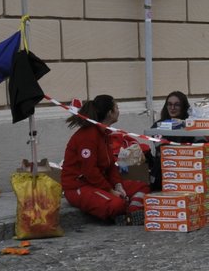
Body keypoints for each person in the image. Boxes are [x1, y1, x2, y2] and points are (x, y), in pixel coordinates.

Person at [61, 95, 147, 223]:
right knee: (116, 204)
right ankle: (126, 212)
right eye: (116, 107)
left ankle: (132, 211)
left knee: (141, 186)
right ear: (109, 113)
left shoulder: (103, 134)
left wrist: (118, 186)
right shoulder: (88, 136)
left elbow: (111, 165)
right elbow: (89, 171)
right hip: (79, 187)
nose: (119, 110)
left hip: (98, 183)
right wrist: (110, 190)